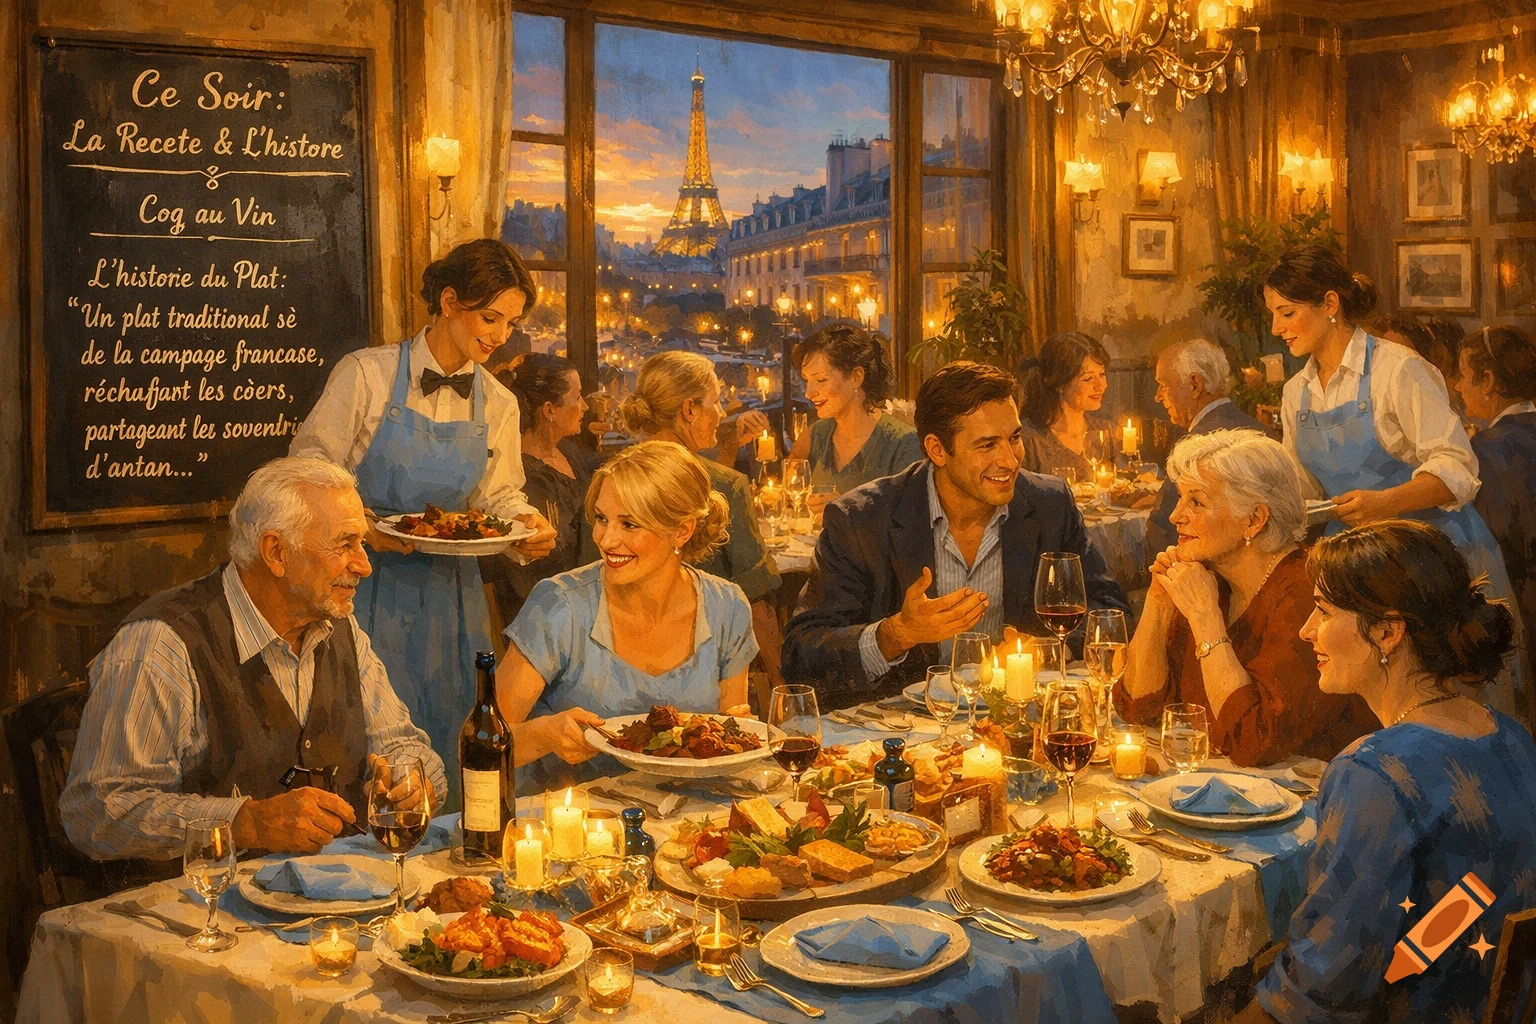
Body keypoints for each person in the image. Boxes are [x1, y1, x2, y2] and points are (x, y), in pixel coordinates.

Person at [58, 457, 445, 869]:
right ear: (276, 552)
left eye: (362, 544)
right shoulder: (161, 645)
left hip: (329, 905)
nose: (364, 565)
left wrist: (412, 783)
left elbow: (406, 748)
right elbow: (96, 810)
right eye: (344, 544)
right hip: (194, 913)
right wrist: (245, 822)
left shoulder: (341, 630)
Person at [1234, 521, 1536, 1024]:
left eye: (1324, 612)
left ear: (1387, 632)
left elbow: (1325, 988)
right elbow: (1463, 906)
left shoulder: (1372, 771)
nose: (1306, 630)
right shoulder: (1508, 734)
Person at [291, 239, 558, 802]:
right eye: (490, 317)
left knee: (448, 726)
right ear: (448, 300)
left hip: (451, 600)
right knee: (360, 741)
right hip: (356, 587)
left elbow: (500, 496)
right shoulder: (366, 374)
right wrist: (362, 525)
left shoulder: (500, 403)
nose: (500, 335)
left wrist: (525, 525)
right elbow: (306, 474)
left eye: (510, 323)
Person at [1266, 244, 1526, 723]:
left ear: (1329, 304)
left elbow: (1457, 468)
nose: (1277, 328)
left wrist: (1384, 502)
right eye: (1273, 315)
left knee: (1447, 702)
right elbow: (1300, 489)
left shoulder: (1398, 369)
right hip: (1359, 571)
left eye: (1287, 313)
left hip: (1432, 560)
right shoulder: (1295, 392)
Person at [782, 361, 1129, 708]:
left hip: (1018, 719)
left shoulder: (1049, 504)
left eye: (1014, 438)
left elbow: (1112, 615)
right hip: (898, 733)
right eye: (987, 445)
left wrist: (1048, 648)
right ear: (937, 450)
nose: (1010, 461)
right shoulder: (861, 519)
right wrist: (896, 634)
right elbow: (802, 654)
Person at [496, 441, 758, 789]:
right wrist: (543, 735)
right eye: (602, 519)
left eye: (630, 524)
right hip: (571, 820)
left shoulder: (727, 607)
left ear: (682, 530)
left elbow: (728, 736)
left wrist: (736, 731)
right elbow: (479, 747)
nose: (607, 539)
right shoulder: (560, 604)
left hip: (685, 817)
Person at [1119, 430, 1377, 765]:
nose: (1175, 515)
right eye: (1181, 499)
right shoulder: (1205, 574)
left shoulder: (1308, 593)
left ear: (1254, 519)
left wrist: (1205, 617)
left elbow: (1252, 742)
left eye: (1196, 502)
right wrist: (1158, 600)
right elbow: (1138, 708)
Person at [612, 350, 784, 697]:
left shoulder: (608, 482)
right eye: (716, 401)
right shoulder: (726, 486)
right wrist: (786, 690)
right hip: (706, 675)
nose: (721, 413)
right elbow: (758, 605)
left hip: (616, 671)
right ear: (689, 410)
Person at [480, 353, 596, 625]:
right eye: (577, 397)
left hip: (583, 603)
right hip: (544, 615)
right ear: (549, 410)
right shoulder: (517, 479)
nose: (586, 406)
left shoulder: (569, 452)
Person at [1456, 325, 1536, 717]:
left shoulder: (1486, 450)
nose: (1457, 385)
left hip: (1522, 596)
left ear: (1488, 381)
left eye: (1463, 374)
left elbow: (1496, 535)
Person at [1144, 339, 1264, 555]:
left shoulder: (1195, 448)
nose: (1157, 396)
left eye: (1163, 385)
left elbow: (1163, 528)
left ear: (1194, 385)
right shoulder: (1256, 428)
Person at [786, 321, 921, 501]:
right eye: (806, 380)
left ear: (856, 377)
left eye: (820, 380)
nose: (809, 393)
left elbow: (912, 523)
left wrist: (845, 511)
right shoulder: (817, 435)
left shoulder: (904, 444)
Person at [1020, 331, 1116, 480]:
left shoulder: (1105, 431)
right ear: (1060, 384)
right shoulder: (1029, 439)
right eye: (1088, 378)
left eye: (1102, 374)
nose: (1101, 385)